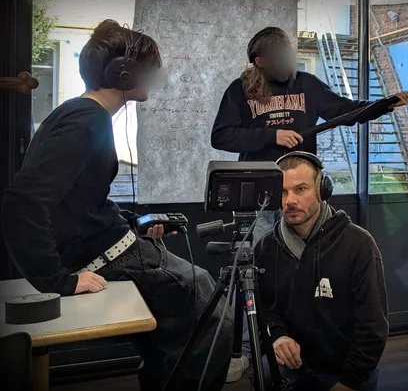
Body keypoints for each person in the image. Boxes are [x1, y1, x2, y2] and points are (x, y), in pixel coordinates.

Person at [0, 20, 233, 391]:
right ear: (124, 73)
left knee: (176, 325)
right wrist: (58, 281)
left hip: (116, 243)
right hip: (106, 256)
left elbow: (79, 200)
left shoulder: (78, 113)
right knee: (210, 304)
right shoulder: (86, 121)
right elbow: (21, 205)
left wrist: (133, 222)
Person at [211, 26, 408, 245]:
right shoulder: (240, 89)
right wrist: (273, 136)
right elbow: (221, 136)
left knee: (306, 250)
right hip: (262, 191)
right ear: (260, 62)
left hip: (302, 187)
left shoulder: (307, 84)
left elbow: (345, 110)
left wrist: (384, 104)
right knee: (264, 252)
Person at [253, 151, 389, 391]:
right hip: (295, 364)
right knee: (262, 373)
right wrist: (277, 336)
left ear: (322, 190)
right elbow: (263, 309)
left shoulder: (358, 244)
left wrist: (349, 381)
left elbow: (373, 326)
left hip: (348, 367)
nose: (290, 201)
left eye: (300, 189)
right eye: (283, 192)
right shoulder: (266, 248)